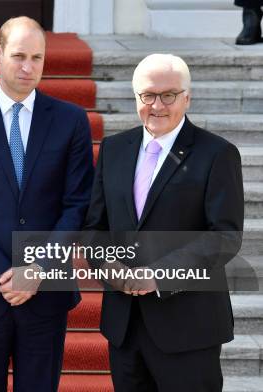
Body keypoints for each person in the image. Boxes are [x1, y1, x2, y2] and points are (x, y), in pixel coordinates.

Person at [0, 16, 94, 392]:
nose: (28, 67)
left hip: (46, 295)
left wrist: (37, 269)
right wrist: (1, 273)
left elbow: (77, 204)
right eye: (19, 56)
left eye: (37, 58)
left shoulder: (71, 120)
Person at [84, 54, 244, 391]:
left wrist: (159, 275)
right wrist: (108, 267)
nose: (157, 105)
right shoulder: (113, 149)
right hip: (124, 325)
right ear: (136, 98)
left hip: (188, 327)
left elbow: (224, 236)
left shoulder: (217, 153)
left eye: (168, 95)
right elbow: (95, 227)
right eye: (148, 95)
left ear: (187, 97)